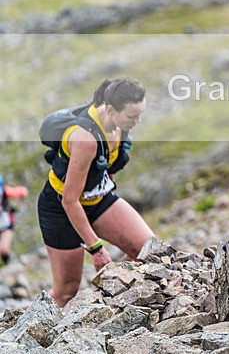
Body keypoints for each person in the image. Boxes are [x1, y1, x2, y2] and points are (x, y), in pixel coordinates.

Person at [37, 77, 154, 307]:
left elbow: (108, 167)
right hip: (60, 209)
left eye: (141, 114)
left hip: (97, 198)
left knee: (148, 251)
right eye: (132, 116)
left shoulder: (119, 126)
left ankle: (106, 297)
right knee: (66, 292)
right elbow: (70, 201)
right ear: (110, 109)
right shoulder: (85, 139)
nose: (138, 121)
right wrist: (96, 248)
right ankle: (28, 332)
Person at [0, 175, 28, 265]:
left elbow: (23, 192)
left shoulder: (5, 191)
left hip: (6, 225)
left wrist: (16, 207)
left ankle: (7, 265)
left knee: (4, 250)